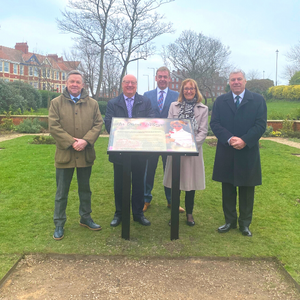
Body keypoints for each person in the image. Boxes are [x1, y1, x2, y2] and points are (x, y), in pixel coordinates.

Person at [210, 69, 267, 237]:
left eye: (239, 79)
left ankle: (245, 224)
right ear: (229, 82)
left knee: (247, 189)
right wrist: (229, 139)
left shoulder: (257, 100)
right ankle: (229, 221)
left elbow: (260, 125)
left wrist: (245, 140)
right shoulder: (220, 101)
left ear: (245, 81)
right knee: (227, 188)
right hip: (227, 150)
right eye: (233, 79)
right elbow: (215, 123)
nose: (236, 82)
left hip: (247, 151)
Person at [49, 70, 103, 240]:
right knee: (61, 192)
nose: (74, 84)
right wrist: (72, 142)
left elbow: (98, 124)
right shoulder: (56, 103)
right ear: (66, 83)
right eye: (71, 81)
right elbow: (54, 126)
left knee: (85, 190)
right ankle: (59, 223)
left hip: (85, 155)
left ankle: (85, 218)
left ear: (82, 85)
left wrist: (85, 141)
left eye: (78, 82)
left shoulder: (93, 104)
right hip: (65, 155)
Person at [104, 74, 154, 227]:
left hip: (140, 152)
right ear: (122, 84)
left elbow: (150, 121)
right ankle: (119, 213)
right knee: (119, 184)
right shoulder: (113, 103)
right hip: (120, 152)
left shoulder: (144, 101)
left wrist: (135, 134)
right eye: (127, 82)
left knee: (139, 183)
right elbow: (109, 124)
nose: (130, 85)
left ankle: (138, 214)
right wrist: (128, 134)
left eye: (133, 82)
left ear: (136, 85)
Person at [163, 78, 208, 226]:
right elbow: (169, 126)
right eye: (186, 88)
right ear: (182, 91)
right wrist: (178, 143)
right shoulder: (174, 106)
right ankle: (174, 213)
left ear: (196, 90)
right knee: (176, 184)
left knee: (190, 184)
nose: (189, 91)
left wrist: (191, 145)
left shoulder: (203, 109)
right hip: (176, 152)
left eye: (192, 88)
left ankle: (189, 213)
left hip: (193, 153)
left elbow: (202, 131)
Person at [143, 67, 185, 213]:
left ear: (169, 79)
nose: (162, 79)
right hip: (152, 141)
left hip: (170, 142)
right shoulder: (147, 95)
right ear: (156, 78)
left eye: (165, 77)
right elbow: (144, 117)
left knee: (170, 171)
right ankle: (145, 199)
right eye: (160, 76)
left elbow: (179, 117)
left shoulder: (176, 96)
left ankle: (171, 201)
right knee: (148, 171)